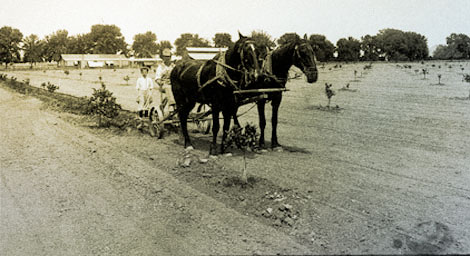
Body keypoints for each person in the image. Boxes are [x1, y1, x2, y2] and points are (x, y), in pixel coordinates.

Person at [155, 48, 175, 119]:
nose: (167, 58)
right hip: (164, 85)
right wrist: (161, 82)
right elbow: (157, 78)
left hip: (173, 84)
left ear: (170, 57)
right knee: (168, 87)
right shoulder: (160, 67)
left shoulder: (173, 66)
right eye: (165, 57)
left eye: (168, 57)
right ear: (163, 57)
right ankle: (172, 105)